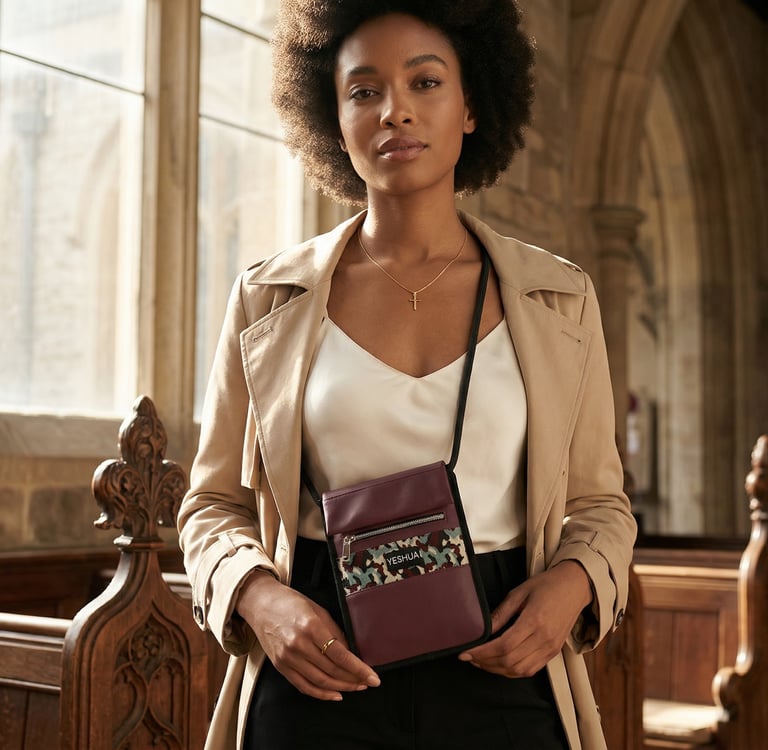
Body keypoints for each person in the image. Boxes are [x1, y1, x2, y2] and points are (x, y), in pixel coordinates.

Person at [177, 1, 637, 748]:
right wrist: (260, 598)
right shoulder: (267, 299)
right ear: (332, 116)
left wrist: (571, 587)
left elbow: (602, 506)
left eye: (425, 82)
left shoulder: (559, 298)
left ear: (471, 107)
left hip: (505, 662)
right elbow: (211, 505)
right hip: (318, 667)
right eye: (364, 91)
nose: (395, 111)